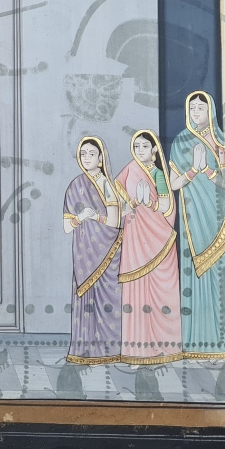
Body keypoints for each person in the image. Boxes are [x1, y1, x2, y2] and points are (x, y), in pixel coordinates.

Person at [168, 91, 225, 361]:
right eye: (192, 108)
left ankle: (222, 344)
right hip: (192, 220)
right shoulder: (181, 141)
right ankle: (195, 343)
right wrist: (193, 170)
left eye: (201, 108)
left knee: (220, 279)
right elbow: (173, 184)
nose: (196, 112)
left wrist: (206, 169)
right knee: (195, 277)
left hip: (219, 220)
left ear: (211, 111)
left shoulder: (223, 141)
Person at [114, 130, 183, 364]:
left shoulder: (158, 174)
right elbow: (119, 201)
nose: (140, 151)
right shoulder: (130, 170)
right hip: (135, 240)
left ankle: (164, 348)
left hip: (157, 237)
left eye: (144, 146)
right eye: (137, 147)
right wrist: (134, 202)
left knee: (159, 293)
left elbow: (165, 206)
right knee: (136, 293)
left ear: (154, 150)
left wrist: (150, 203)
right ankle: (136, 351)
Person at [63, 137, 124, 365]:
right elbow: (67, 226)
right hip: (84, 255)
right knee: (86, 303)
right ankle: (84, 352)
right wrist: (80, 218)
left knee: (110, 301)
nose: (86, 158)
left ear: (100, 159)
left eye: (91, 154)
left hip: (108, 251)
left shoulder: (108, 184)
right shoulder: (75, 186)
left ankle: (111, 351)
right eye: (83, 154)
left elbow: (115, 222)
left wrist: (96, 216)